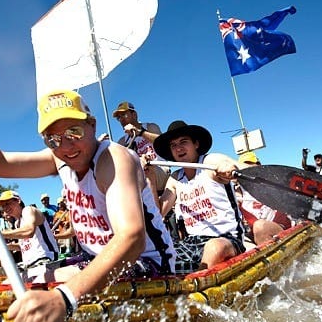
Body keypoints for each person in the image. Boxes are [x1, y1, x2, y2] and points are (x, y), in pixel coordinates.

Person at [0, 81, 175, 322]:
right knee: (20, 281)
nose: (66, 147)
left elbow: (131, 238)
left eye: (74, 131)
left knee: (56, 279)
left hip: (149, 263)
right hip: (91, 260)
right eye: (53, 139)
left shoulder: (113, 159)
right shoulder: (59, 159)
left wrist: (64, 298)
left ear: (92, 125)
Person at [150, 120, 245, 273]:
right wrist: (150, 178)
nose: (178, 148)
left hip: (226, 239)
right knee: (155, 252)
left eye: (183, 142)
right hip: (192, 243)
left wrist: (228, 168)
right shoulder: (175, 178)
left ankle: (194, 292)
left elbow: (226, 164)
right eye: (173, 145)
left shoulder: (209, 162)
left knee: (215, 248)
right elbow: (158, 212)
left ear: (196, 144)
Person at [112, 100, 170, 196]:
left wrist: (141, 133)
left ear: (134, 114)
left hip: (159, 169)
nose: (121, 119)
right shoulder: (122, 141)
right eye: (119, 117)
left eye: (124, 115)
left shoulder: (150, 127)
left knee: (145, 170)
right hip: (139, 176)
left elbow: (163, 143)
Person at [234, 151, 293, 245]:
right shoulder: (237, 191)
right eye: (244, 166)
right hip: (253, 233)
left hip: (279, 227)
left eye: (250, 164)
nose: (247, 168)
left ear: (259, 165)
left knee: (260, 226)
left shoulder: (272, 183)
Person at [0, 190, 59, 269]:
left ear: (18, 201)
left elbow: (29, 231)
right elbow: (23, 245)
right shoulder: (17, 223)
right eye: (3, 206)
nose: (5, 208)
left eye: (7, 203)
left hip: (45, 259)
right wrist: (6, 246)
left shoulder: (28, 210)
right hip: (31, 263)